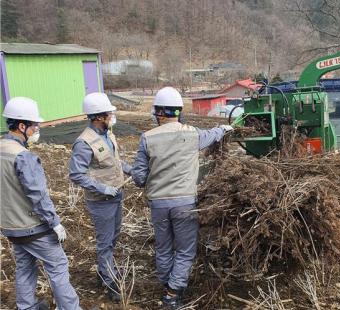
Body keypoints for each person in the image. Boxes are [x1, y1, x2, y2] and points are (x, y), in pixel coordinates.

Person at [132, 87, 233, 309]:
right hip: (185, 204)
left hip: (158, 205)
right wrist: (224, 128)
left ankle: (167, 285)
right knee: (185, 250)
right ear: (179, 111)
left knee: (164, 247)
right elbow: (213, 134)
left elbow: (139, 178)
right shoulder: (192, 133)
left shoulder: (146, 138)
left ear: (158, 112)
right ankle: (172, 293)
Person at [0, 97, 80, 310]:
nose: (37, 129)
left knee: (25, 267)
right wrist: (54, 222)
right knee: (58, 267)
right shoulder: (23, 157)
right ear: (22, 126)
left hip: (11, 228)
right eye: (34, 125)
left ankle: (26, 307)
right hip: (33, 228)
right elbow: (38, 195)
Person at [69, 92, 133, 302]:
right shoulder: (84, 143)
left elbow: (113, 162)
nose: (111, 116)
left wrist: (130, 169)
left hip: (116, 196)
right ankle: (108, 280)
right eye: (108, 113)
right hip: (101, 201)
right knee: (105, 242)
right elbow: (77, 174)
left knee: (114, 237)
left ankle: (104, 269)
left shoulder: (109, 135)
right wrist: (102, 188)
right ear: (98, 117)